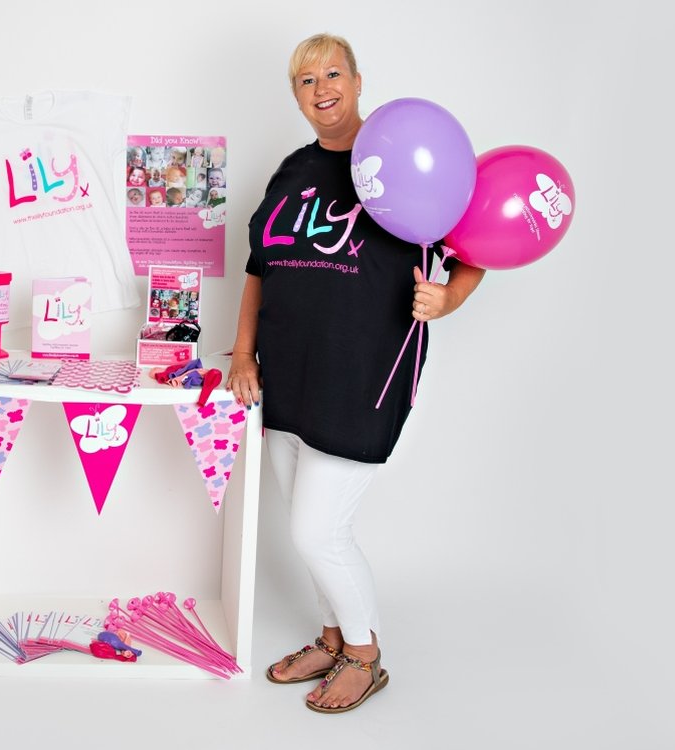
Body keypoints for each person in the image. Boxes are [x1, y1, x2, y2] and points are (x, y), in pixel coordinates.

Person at [226, 33, 485, 714]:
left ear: (358, 78)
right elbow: (260, 269)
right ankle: (332, 637)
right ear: (297, 97)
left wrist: (450, 295)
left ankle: (365, 658)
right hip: (287, 373)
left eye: (332, 73)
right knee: (307, 525)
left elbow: (477, 239)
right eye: (305, 82)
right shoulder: (291, 170)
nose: (321, 90)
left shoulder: (405, 155)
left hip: (362, 374)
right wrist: (243, 354)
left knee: (318, 531)